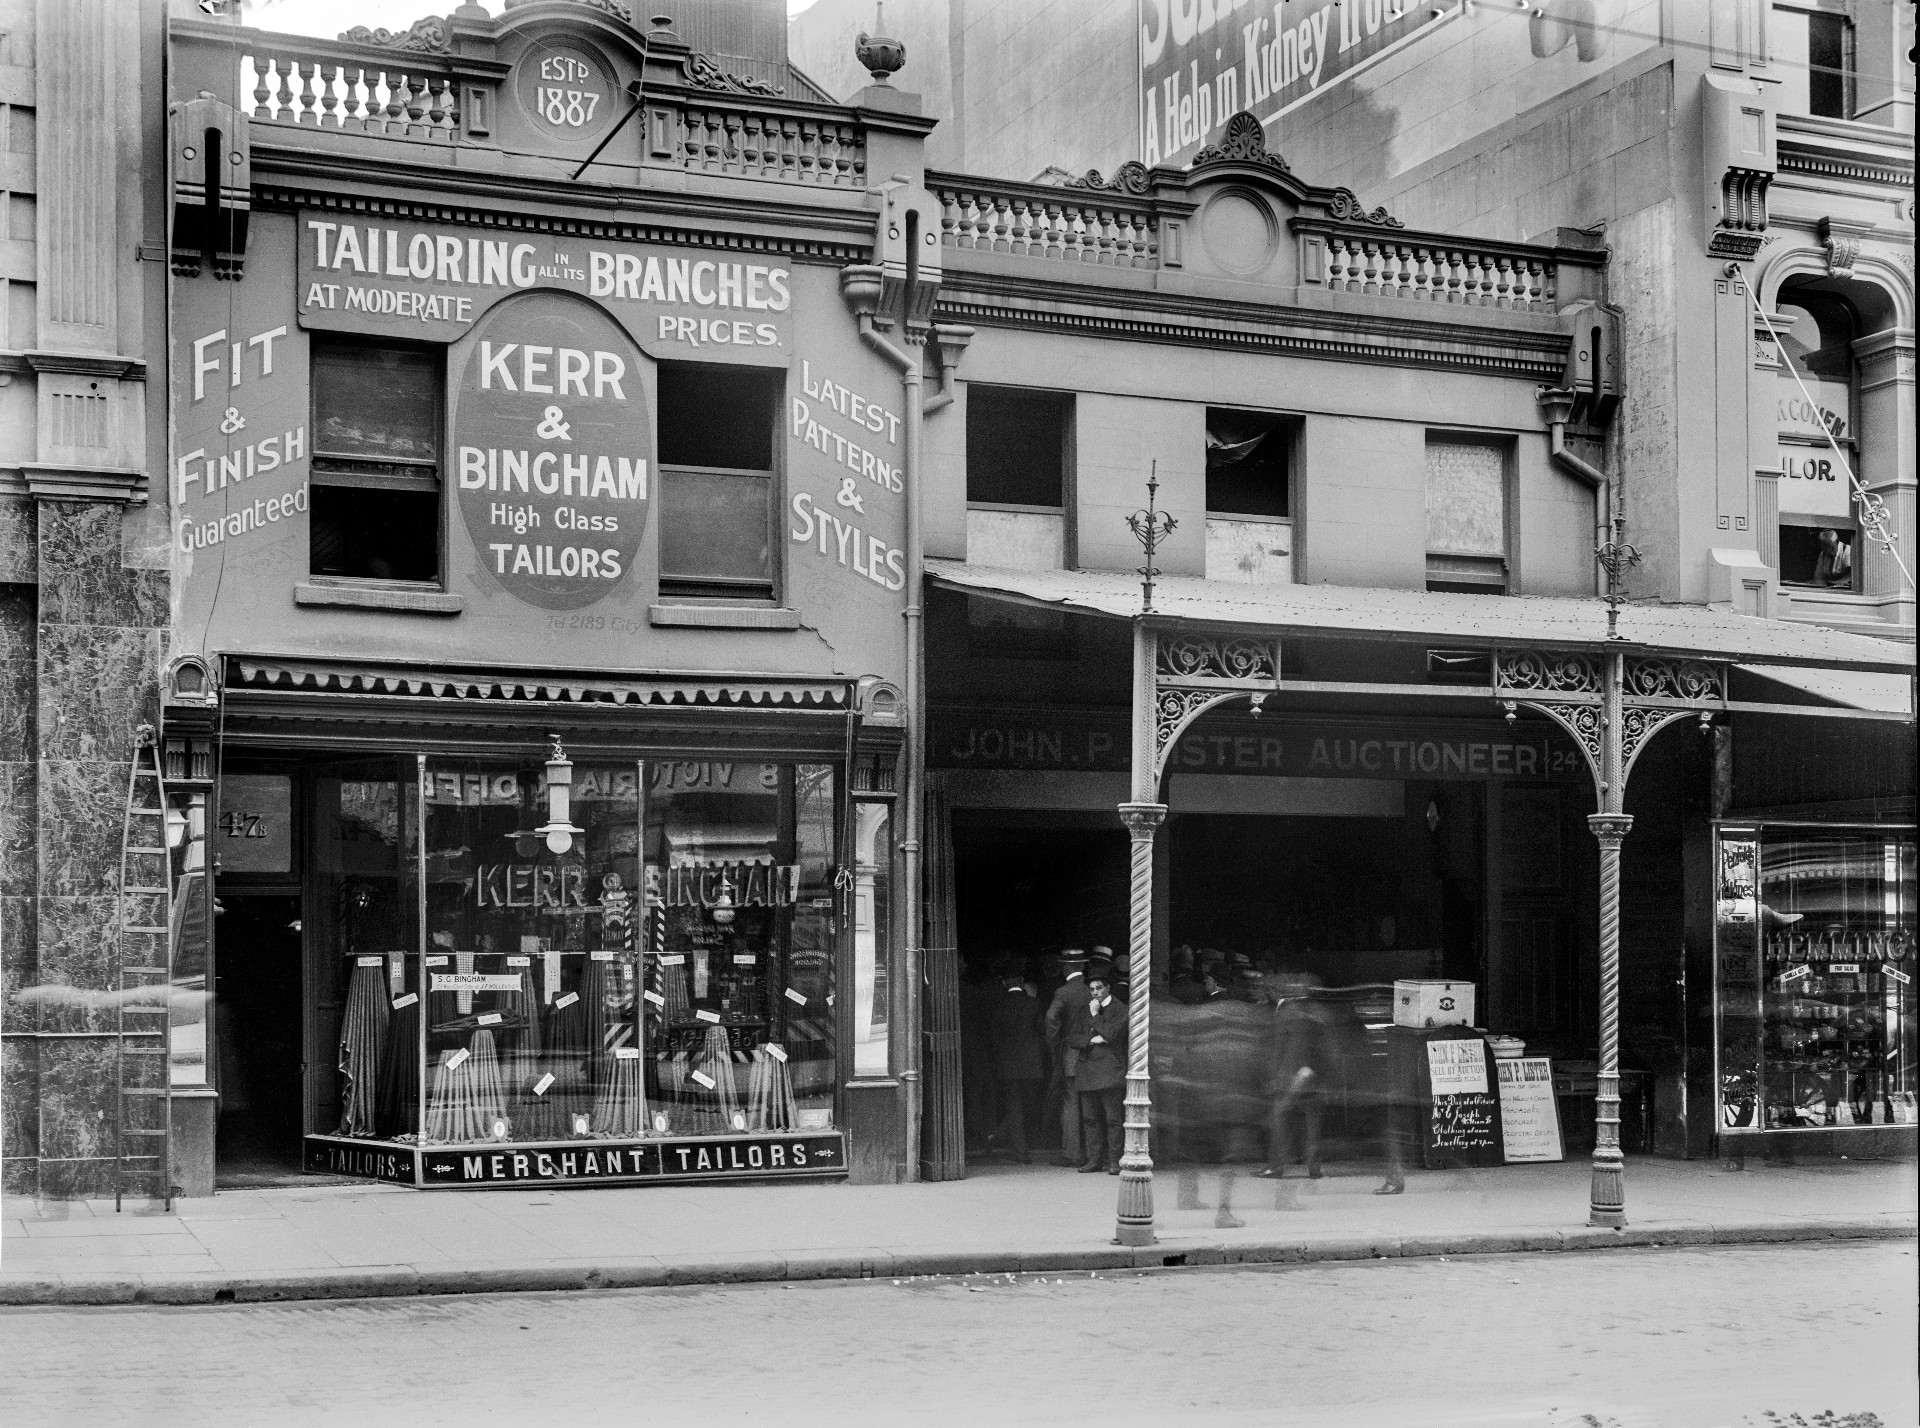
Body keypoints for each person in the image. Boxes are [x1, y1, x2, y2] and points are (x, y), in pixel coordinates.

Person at [1256, 973, 1332, 1181]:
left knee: (1280, 1118)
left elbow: (1291, 1049)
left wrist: (1282, 1077)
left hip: (1298, 1077)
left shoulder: (1290, 1013)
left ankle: (1276, 1166)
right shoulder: (1315, 1011)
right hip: (1312, 1077)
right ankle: (1313, 1169)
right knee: (1311, 1126)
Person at [984, 955, 1045, 1162]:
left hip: (1007, 1065)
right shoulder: (1034, 1003)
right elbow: (1041, 1031)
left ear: (1004, 983)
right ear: (1021, 981)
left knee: (1014, 1106)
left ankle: (1009, 1143)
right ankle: (1016, 1147)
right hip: (1032, 1064)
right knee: (1027, 1105)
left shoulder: (997, 1005)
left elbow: (993, 1039)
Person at [1074, 966, 1129, 1174]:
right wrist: (1093, 1040)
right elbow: (1073, 1038)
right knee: (1090, 1119)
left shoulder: (1121, 1009)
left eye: (1098, 988)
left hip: (1110, 1072)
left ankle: (1115, 1161)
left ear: (1108, 988)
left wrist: (1096, 1016)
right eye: (1092, 989)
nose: (1095, 992)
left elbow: (1113, 1034)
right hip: (1088, 1070)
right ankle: (1094, 1160)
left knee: (1113, 1119)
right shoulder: (1084, 1009)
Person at [1043, 949, 1089, 1166]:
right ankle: (1093, 1153)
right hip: (1092, 1054)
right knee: (1091, 1104)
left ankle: (1071, 1153)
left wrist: (1054, 1043)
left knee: (1070, 1103)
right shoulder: (1093, 989)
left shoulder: (1063, 992)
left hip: (1070, 1054)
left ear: (1066, 967)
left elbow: (1051, 1017)